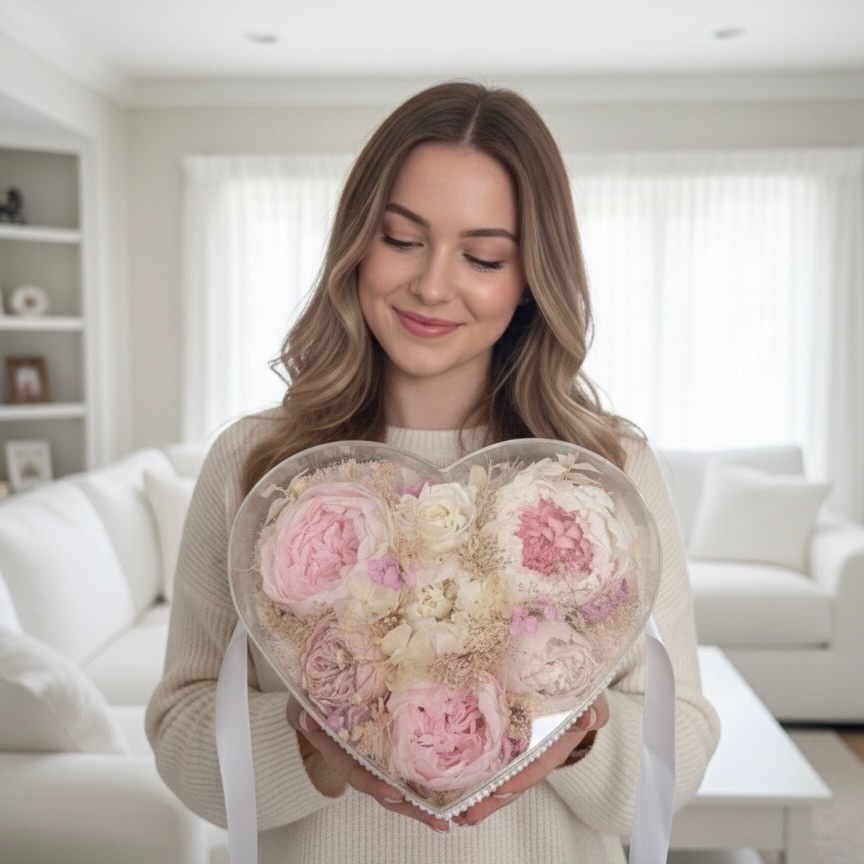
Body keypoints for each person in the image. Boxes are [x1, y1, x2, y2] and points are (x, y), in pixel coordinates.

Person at [146, 80, 720, 863]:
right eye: (402, 238)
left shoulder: (608, 472)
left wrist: (571, 746)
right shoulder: (256, 463)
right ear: (357, 241)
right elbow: (182, 729)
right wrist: (315, 756)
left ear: (528, 280)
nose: (432, 284)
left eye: (483, 256)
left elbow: (680, 742)